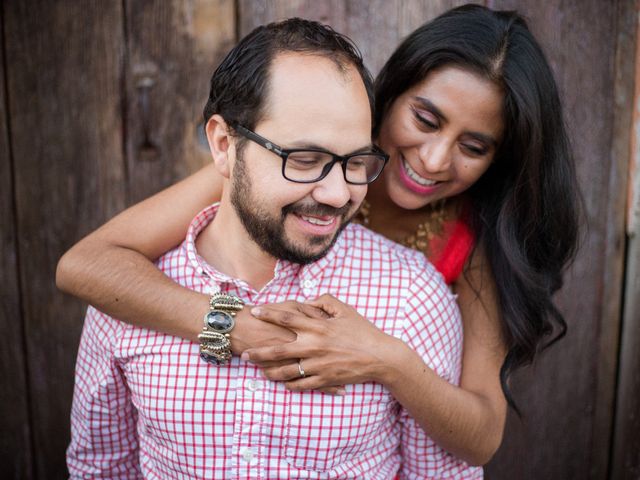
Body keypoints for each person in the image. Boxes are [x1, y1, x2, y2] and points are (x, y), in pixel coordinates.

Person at [58, 4, 581, 469]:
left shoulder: (466, 253)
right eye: (425, 119)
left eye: (473, 146)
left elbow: (479, 438)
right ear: (387, 98)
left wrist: (385, 358)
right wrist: (233, 327)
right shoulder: (257, 172)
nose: (435, 158)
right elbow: (85, 265)